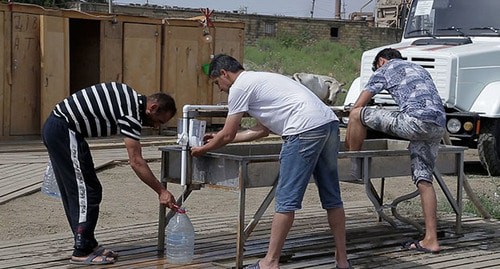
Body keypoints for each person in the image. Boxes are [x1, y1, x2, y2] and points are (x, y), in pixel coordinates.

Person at [191, 54, 350, 269]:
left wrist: (203, 148)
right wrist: (217, 139)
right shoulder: (260, 79)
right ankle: (342, 262)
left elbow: (228, 134)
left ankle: (270, 262)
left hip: (302, 129)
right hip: (328, 124)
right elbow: (261, 130)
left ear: (224, 74)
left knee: (286, 200)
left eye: (217, 83)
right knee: (332, 197)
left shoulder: (239, 87)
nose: (220, 88)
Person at [42, 82, 178, 265]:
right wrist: (161, 191)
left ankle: (87, 242)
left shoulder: (129, 95)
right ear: (152, 107)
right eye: (158, 121)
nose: (155, 127)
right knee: (86, 192)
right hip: (64, 130)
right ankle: (81, 250)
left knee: (84, 189)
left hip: (63, 129)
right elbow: (136, 161)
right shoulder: (132, 113)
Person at [345, 48, 446, 254]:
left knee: (356, 115)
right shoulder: (419, 68)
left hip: (415, 121)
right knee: (424, 180)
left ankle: (352, 166)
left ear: (381, 61)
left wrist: (350, 119)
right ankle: (431, 240)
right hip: (437, 124)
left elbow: (359, 105)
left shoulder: (385, 68)